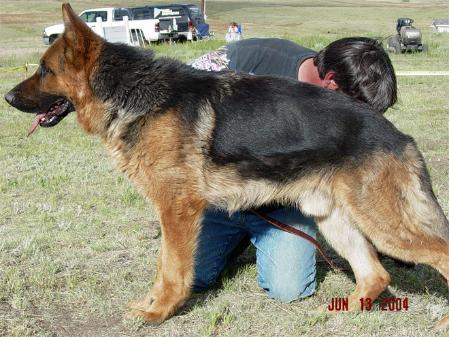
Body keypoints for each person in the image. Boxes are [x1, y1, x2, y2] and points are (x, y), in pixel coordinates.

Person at [189, 37, 397, 303]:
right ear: (331, 81)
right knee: (193, 276)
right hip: (222, 197)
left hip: (283, 206)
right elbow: (175, 100)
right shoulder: (250, 57)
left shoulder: (339, 106)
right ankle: (234, 236)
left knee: (288, 290)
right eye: (357, 112)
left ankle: (260, 239)